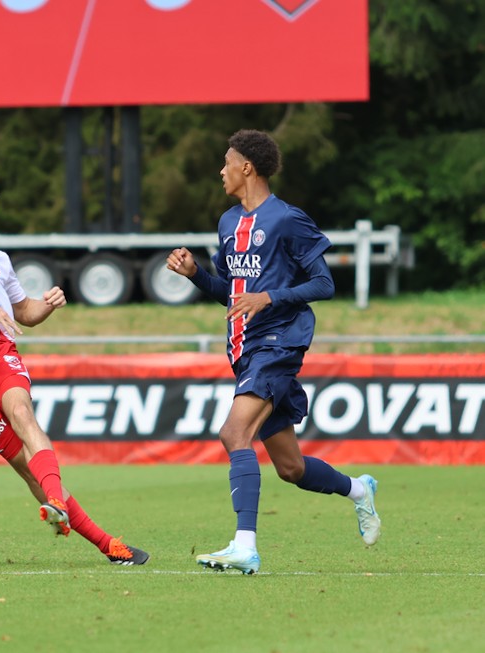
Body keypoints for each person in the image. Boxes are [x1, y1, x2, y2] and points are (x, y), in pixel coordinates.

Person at [165, 129, 381, 575]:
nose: (220, 169)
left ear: (248, 167)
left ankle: (245, 546)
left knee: (233, 434)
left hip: (280, 341)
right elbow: (232, 292)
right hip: (246, 348)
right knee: (291, 468)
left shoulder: (286, 219)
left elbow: (324, 283)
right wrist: (195, 275)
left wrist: (269, 298)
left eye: (227, 161)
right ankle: (359, 490)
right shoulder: (228, 223)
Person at [0, 172, 149, 566]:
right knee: (25, 467)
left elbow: (22, 311)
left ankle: (99, 537)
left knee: (24, 415)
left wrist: (48, 304)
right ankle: (74, 516)